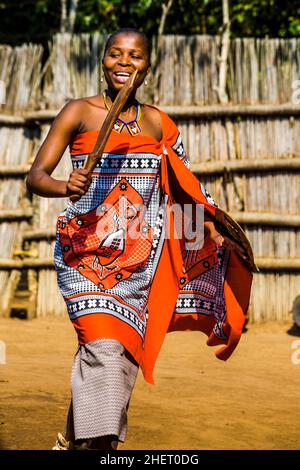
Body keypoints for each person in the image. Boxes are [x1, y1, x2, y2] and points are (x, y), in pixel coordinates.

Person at [26, 28, 252, 451]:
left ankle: (72, 440)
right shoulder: (79, 112)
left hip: (138, 262)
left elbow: (185, 187)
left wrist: (215, 230)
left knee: (118, 353)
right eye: (115, 54)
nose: (124, 63)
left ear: (147, 66)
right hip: (83, 258)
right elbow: (35, 177)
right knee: (105, 346)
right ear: (103, 59)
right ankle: (101, 447)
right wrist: (64, 186)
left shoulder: (158, 123)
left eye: (134, 56)